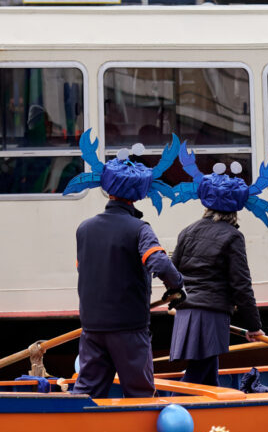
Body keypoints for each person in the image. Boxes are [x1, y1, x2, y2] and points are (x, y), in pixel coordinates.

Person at [65, 136, 185, 398]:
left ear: (108, 190)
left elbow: (83, 268)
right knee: (139, 392)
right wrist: (176, 285)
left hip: (92, 327)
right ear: (140, 193)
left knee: (87, 391)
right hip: (129, 328)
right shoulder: (139, 229)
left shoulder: (84, 229)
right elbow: (160, 262)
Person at [169, 164, 268, 386]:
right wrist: (254, 326)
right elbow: (241, 286)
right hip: (211, 315)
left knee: (207, 373)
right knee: (197, 374)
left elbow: (172, 271)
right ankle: (173, 410)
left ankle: (210, 415)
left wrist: (177, 303)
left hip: (187, 312)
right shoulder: (233, 236)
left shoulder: (188, 231)